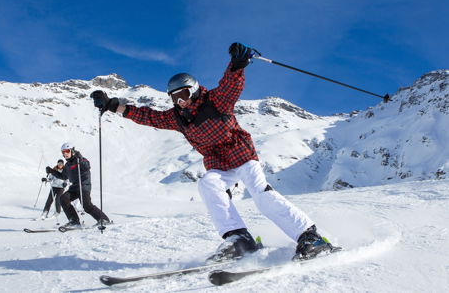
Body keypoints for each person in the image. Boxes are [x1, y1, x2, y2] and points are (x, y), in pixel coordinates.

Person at [90, 42, 334, 261]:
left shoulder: (215, 102)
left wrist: (237, 65)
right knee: (208, 184)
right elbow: (148, 116)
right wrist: (113, 105)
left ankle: (310, 237)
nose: (180, 102)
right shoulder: (178, 118)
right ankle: (240, 240)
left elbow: (230, 86)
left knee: (261, 194)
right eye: (175, 99)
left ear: (194, 90)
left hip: (241, 155)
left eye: (183, 95)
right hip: (218, 163)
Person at [46, 143, 110, 228]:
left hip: (83, 185)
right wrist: (52, 171)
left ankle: (104, 219)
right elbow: (63, 176)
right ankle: (74, 221)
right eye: (63, 152)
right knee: (63, 199)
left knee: (86, 206)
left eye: (67, 151)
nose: (65, 153)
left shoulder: (80, 160)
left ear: (72, 151)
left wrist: (80, 158)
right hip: (74, 187)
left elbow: (87, 166)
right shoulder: (67, 165)